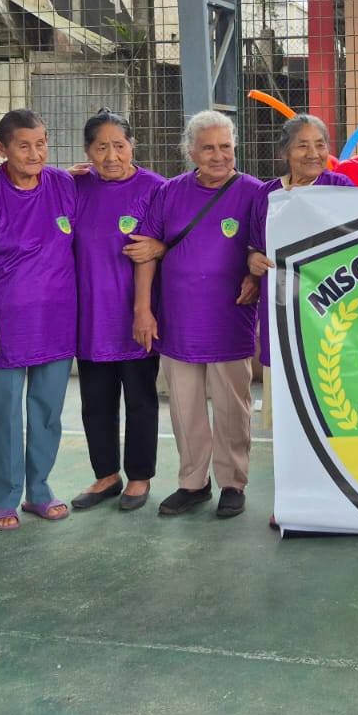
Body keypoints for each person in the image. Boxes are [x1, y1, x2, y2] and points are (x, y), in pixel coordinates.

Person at [134, 111, 264, 521]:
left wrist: (254, 276)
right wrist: (143, 309)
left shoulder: (254, 193)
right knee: (184, 406)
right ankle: (193, 482)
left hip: (230, 318)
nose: (218, 155)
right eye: (208, 148)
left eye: (225, 146)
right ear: (190, 152)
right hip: (178, 320)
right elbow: (145, 250)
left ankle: (232, 483)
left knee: (232, 406)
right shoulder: (169, 192)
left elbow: (264, 249)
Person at [0, 110, 78, 531]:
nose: (35, 153)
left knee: (47, 410)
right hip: (4, 326)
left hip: (57, 322)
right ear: (1, 149)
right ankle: (4, 499)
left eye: (41, 144)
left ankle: (39, 491)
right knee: (5, 414)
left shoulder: (64, 184)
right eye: (24, 146)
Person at [69, 110, 166, 513]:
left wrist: (144, 309)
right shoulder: (75, 186)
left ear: (132, 146)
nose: (111, 156)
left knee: (140, 399)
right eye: (101, 148)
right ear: (87, 151)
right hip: (90, 317)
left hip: (137, 316)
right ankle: (106, 475)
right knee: (95, 402)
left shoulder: (156, 188)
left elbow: (170, 241)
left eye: (119, 146)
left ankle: (140, 477)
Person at [246, 114, 353, 430]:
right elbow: (254, 247)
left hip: (331, 312)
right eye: (302, 145)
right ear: (285, 152)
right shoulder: (266, 195)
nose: (313, 154)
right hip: (283, 310)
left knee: (332, 401)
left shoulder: (341, 189)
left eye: (320, 145)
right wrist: (253, 260)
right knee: (287, 411)